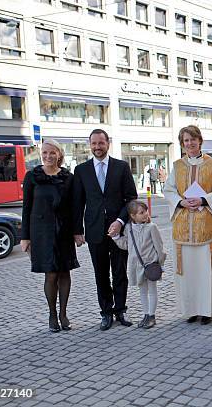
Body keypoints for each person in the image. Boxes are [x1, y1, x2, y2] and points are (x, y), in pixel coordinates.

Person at [164, 125, 212, 324]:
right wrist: (181, 201)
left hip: (207, 226)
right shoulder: (177, 166)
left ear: (200, 141)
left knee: (206, 271)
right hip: (184, 226)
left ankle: (207, 311)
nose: (190, 143)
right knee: (189, 272)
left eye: (193, 139)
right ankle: (192, 310)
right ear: (182, 144)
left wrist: (203, 200)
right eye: (186, 141)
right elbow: (168, 189)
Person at [72, 129, 138, 331]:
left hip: (118, 231)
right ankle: (106, 313)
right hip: (94, 230)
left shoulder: (121, 167)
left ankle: (120, 310)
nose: (97, 147)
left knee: (119, 272)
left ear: (108, 143)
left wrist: (120, 220)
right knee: (100, 273)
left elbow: (131, 199)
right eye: (94, 143)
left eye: (101, 143)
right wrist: (77, 230)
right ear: (89, 145)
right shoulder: (81, 170)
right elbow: (78, 202)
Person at [21, 140, 80, 332]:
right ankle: (52, 315)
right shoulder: (32, 176)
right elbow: (26, 207)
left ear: (59, 155)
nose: (48, 156)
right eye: (44, 153)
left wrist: (78, 232)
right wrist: (25, 236)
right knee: (51, 273)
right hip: (42, 232)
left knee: (65, 272)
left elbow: (75, 208)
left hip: (63, 230)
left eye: (52, 153)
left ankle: (63, 313)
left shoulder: (68, 178)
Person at [113, 201, 166, 329]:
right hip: (136, 266)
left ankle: (152, 316)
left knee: (152, 290)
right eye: (141, 213)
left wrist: (160, 263)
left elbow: (159, 247)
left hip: (151, 264)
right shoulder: (128, 229)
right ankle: (146, 314)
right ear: (132, 215)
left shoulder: (152, 227)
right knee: (142, 291)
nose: (145, 214)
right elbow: (126, 245)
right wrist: (115, 238)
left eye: (145, 211)